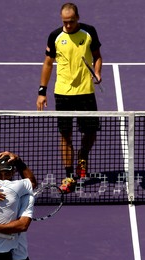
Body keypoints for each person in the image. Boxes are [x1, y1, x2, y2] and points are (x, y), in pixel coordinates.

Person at [36, 2, 102, 193]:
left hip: (85, 92)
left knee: (90, 133)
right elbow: (48, 63)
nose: (68, 26)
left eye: (71, 22)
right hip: (63, 93)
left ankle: (83, 154)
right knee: (65, 134)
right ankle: (69, 174)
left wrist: (97, 72)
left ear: (78, 18)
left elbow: (97, 56)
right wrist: (42, 91)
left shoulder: (89, 32)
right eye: (65, 22)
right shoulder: (55, 36)